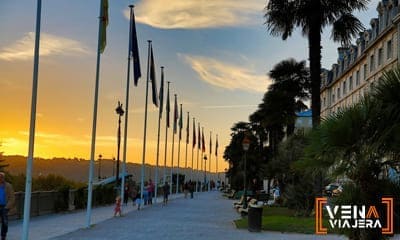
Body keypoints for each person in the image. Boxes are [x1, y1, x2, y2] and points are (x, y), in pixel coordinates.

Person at [0, 172, 15, 240]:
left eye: (1, 177)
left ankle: (3, 236)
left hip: (5, 207)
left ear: (3, 178)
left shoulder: (8, 186)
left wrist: (6, 207)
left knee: (5, 222)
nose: (0, 178)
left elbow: (12, 198)